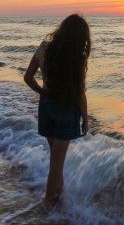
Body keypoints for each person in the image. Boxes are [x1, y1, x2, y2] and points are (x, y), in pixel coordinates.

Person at [24, 14, 91, 210]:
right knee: (56, 164)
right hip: (66, 109)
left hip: (46, 107)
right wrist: (85, 118)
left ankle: (59, 198)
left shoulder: (44, 47)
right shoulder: (75, 57)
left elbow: (28, 77)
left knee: (55, 159)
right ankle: (47, 205)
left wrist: (42, 92)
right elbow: (79, 92)